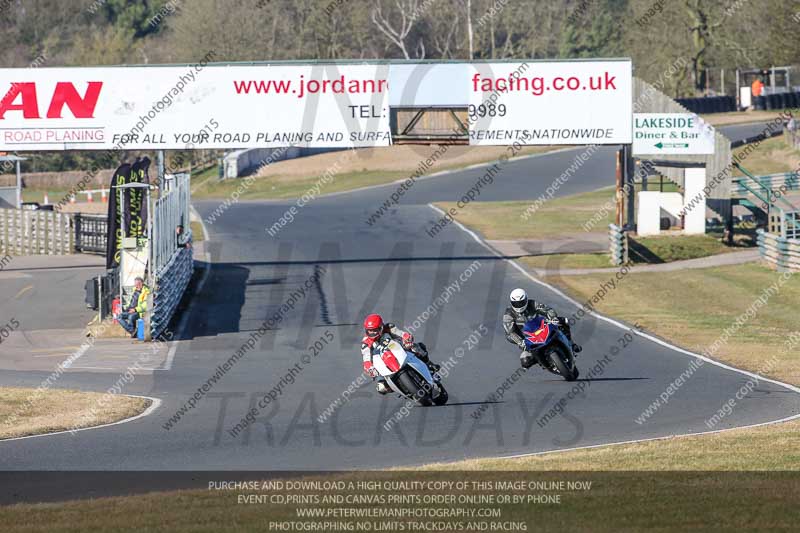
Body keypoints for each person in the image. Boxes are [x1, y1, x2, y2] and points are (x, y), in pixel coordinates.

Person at [361, 313, 441, 395]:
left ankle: (429, 365)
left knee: (417, 347)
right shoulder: (366, 342)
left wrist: (407, 339)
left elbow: (402, 334)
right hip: (382, 364)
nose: (372, 333)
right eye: (370, 330)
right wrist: (369, 368)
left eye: (375, 330)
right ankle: (399, 387)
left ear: (381, 327)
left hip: (397, 349)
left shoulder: (389, 328)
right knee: (381, 388)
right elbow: (366, 358)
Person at [502, 288, 581, 368]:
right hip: (527, 338)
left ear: (526, 299)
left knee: (563, 321)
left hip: (541, 327)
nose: (519, 306)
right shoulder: (508, 314)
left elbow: (547, 310)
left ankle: (572, 344)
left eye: (521, 302)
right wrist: (520, 342)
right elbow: (510, 332)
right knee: (525, 361)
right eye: (516, 303)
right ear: (511, 303)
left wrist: (553, 318)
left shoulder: (532, 303)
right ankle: (540, 360)